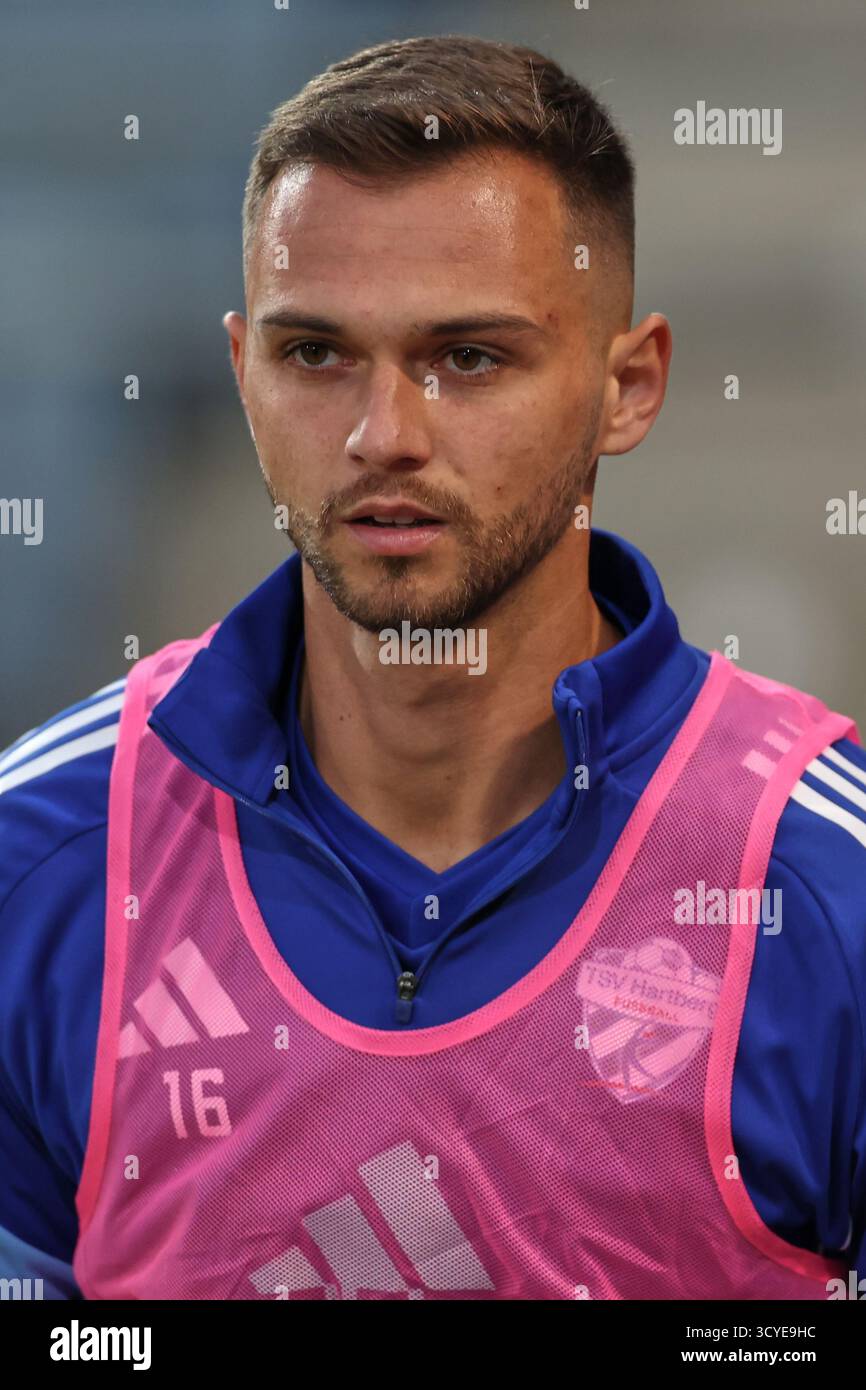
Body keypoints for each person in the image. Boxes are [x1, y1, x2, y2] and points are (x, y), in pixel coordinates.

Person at [1, 34, 864, 1302]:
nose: (381, 436)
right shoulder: (45, 854)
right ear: (241, 371)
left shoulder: (826, 884)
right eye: (314, 355)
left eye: (469, 358)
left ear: (628, 386)